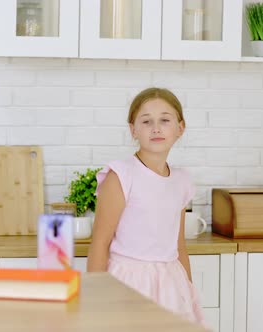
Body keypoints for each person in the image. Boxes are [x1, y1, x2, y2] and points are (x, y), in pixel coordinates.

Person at [87, 87, 206, 327]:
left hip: (171, 283)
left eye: (165, 120)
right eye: (146, 121)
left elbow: (179, 245)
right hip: (128, 281)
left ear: (180, 128)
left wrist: (189, 293)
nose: (156, 128)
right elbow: (100, 242)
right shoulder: (122, 175)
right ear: (133, 130)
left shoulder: (182, 181)